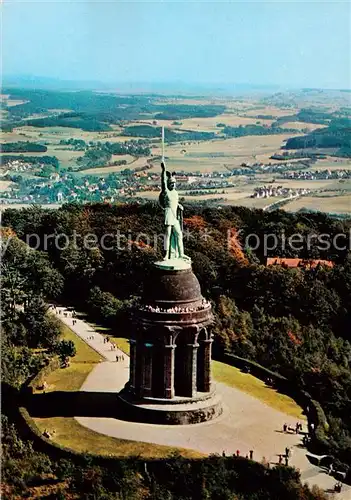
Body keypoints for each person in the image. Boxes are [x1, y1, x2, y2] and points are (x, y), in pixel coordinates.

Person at [159, 162, 190, 261]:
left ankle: (181, 254)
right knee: (167, 235)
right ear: (168, 184)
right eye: (171, 183)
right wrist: (164, 170)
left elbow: (174, 202)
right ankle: (166, 254)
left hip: (175, 216)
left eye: (174, 183)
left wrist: (178, 205)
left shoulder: (176, 193)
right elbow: (163, 181)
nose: (173, 185)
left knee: (179, 234)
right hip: (168, 214)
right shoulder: (166, 192)